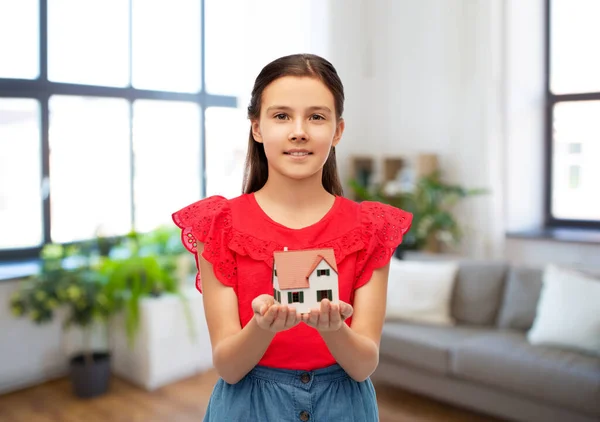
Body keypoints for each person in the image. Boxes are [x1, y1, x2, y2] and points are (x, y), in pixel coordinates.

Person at [172, 53, 412, 421]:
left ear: (338, 131)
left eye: (316, 117)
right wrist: (261, 328)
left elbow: (364, 365)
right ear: (256, 127)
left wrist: (334, 331)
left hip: (343, 407)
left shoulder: (372, 228)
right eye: (281, 115)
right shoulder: (218, 225)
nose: (299, 130)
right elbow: (229, 367)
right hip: (248, 407)